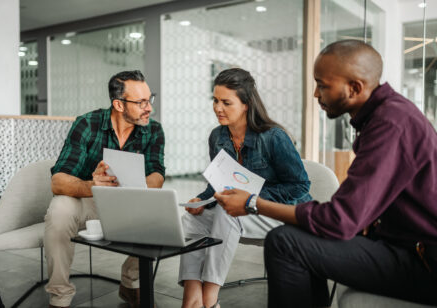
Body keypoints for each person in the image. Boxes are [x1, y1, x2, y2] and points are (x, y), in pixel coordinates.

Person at [214, 40, 437, 307]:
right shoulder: (385, 116)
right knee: (300, 236)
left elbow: (340, 220)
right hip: (403, 246)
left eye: (322, 85)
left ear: (354, 88)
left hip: (424, 262)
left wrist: (253, 204)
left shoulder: (391, 124)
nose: (316, 95)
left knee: (285, 242)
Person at [179, 68, 312, 308]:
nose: (218, 108)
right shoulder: (217, 136)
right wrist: (200, 199)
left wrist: (250, 199)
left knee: (226, 213)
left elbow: (300, 186)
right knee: (191, 220)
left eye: (226, 102)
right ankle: (191, 296)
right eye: (215, 100)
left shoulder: (273, 137)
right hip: (244, 212)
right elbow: (217, 182)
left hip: (281, 213)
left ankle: (210, 299)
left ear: (246, 104)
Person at [44, 70, 165, 308]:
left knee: (158, 209)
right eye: (141, 102)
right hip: (88, 200)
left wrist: (132, 186)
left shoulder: (153, 130)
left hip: (128, 201)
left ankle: (131, 284)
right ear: (119, 104)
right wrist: (92, 184)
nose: (149, 107)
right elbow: (58, 181)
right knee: (59, 209)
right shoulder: (87, 124)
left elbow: (157, 175)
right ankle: (59, 297)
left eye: (150, 99)